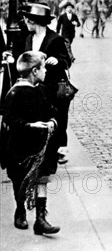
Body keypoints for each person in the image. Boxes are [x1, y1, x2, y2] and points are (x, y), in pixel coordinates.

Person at [0, 51, 60, 235]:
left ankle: (40, 219)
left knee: (42, 177)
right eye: (43, 68)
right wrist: (31, 125)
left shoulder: (42, 90)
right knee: (20, 180)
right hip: (19, 147)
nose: (46, 72)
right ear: (34, 71)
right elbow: (9, 120)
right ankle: (20, 210)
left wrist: (51, 122)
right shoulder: (15, 93)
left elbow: (53, 111)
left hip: (40, 147)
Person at [19, 3, 72, 164]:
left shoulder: (55, 39)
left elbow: (67, 61)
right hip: (37, 87)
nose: (26, 23)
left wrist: (58, 60)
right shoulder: (29, 38)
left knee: (57, 117)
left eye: (28, 20)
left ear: (35, 21)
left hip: (54, 86)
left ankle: (58, 150)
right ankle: (43, 153)